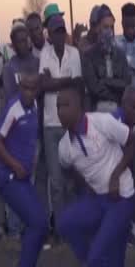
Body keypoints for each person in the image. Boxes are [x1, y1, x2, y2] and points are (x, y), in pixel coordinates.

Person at [56, 88, 135, 267]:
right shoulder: (63, 147)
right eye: (57, 106)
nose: (60, 111)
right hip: (98, 199)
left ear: (79, 107)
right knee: (66, 223)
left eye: (65, 105)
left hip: (121, 197)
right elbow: (69, 170)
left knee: (95, 257)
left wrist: (115, 175)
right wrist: (91, 187)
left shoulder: (102, 123)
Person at [0, 70, 47, 267]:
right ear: (19, 86)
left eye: (32, 88)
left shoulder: (34, 107)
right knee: (37, 223)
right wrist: (14, 165)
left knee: (41, 225)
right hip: (10, 179)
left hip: (24, 179)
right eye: (25, 87)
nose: (28, 92)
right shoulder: (13, 108)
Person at [38, 14, 83, 243]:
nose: (59, 35)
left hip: (69, 124)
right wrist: (63, 81)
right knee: (55, 182)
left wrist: (55, 82)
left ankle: (73, 224)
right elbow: (43, 85)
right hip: (50, 125)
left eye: (62, 31)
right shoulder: (44, 54)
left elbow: (77, 84)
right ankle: (61, 228)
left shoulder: (74, 53)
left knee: (71, 179)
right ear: (50, 34)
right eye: (56, 31)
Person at [112, 86, 135, 248]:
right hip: (113, 161)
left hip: (133, 160)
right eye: (134, 107)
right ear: (123, 105)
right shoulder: (112, 122)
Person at [83, 5, 130, 114]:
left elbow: (126, 83)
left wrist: (105, 81)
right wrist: (115, 94)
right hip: (97, 110)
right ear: (97, 28)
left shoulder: (121, 55)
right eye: (105, 27)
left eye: (111, 27)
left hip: (118, 109)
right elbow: (94, 87)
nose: (109, 31)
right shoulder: (89, 55)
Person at [3, 22, 38, 103]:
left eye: (24, 40)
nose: (23, 44)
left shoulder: (37, 62)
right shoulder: (8, 68)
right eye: (19, 41)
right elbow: (10, 97)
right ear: (13, 44)